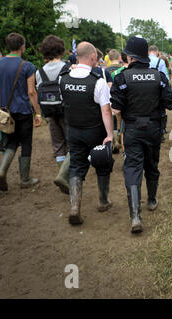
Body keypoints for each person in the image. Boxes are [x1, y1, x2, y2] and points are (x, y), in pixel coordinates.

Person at [110, 36, 172, 233]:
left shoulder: (121, 77)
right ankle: (152, 200)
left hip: (132, 130)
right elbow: (170, 103)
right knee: (151, 164)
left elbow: (116, 107)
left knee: (132, 168)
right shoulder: (159, 76)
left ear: (130, 57)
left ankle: (136, 215)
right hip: (154, 129)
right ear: (146, 55)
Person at [59, 41, 114, 225]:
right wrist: (110, 135)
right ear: (92, 57)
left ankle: (75, 206)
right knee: (102, 163)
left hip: (73, 130)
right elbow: (106, 111)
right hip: (94, 131)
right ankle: (103, 201)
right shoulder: (97, 81)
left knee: (76, 166)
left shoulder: (63, 78)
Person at [0, 33, 42, 192]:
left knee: (11, 142)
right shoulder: (27, 66)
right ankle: (25, 179)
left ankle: (1, 171)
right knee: (25, 143)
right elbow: (31, 92)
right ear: (22, 46)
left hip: (5, 112)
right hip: (23, 111)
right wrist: (37, 113)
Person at [35, 35, 71, 194]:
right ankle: (65, 176)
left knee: (58, 145)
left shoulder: (39, 72)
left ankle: (61, 173)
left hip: (49, 112)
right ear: (61, 50)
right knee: (73, 143)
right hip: (66, 111)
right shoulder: (68, 68)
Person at [105, 49, 123, 154]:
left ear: (109, 58)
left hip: (109, 98)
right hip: (120, 98)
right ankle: (120, 141)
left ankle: (113, 141)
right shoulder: (123, 69)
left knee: (111, 121)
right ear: (119, 57)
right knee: (120, 121)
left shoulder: (105, 70)